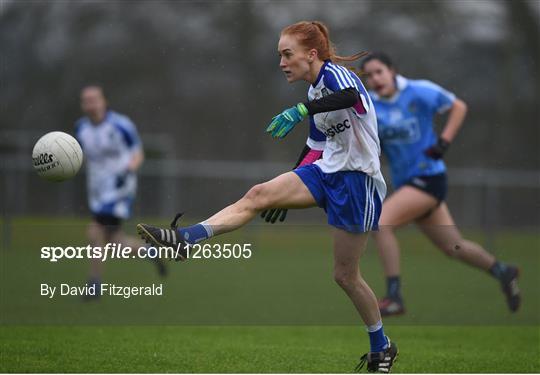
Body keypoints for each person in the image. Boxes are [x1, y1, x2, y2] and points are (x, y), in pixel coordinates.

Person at [137, 21, 398, 373]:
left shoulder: (336, 77)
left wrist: (303, 110)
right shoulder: (313, 94)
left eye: (287, 54)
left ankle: (381, 346)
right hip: (326, 172)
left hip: (357, 182)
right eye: (280, 55)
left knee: (345, 275)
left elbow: (351, 98)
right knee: (259, 194)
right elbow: (314, 148)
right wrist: (287, 190)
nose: (282, 62)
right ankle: (187, 238)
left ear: (311, 54)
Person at [359, 52, 521, 316]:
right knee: (454, 247)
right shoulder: (372, 106)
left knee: (382, 223)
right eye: (369, 76)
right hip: (408, 186)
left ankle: (394, 296)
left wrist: (443, 142)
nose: (375, 79)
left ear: (393, 71)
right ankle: (503, 271)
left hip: (429, 178)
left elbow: (458, 106)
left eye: (379, 72)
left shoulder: (418, 91)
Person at [75, 84, 166, 298]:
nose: (91, 105)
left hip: (119, 189)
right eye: (86, 101)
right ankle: (150, 251)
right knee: (115, 243)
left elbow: (137, 155)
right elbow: (81, 157)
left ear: (103, 101)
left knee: (94, 232)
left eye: (94, 99)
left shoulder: (120, 125)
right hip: (97, 191)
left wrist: (127, 172)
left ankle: (94, 286)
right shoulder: (80, 128)